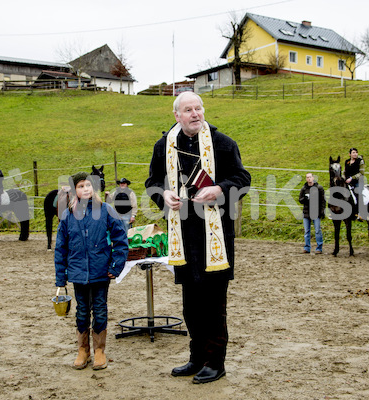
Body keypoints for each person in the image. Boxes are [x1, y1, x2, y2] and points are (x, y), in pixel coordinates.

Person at [145, 92, 251, 384]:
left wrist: (219, 189)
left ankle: (216, 362)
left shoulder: (223, 144)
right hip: (183, 235)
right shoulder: (163, 146)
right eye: (188, 109)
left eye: (198, 108)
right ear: (176, 115)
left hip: (215, 235)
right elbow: (152, 182)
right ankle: (196, 357)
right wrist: (163, 194)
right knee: (190, 303)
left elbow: (243, 179)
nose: (195, 113)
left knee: (213, 303)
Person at [54, 172, 128, 371]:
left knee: (100, 309)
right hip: (78, 272)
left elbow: (121, 239)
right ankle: (83, 350)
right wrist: (60, 278)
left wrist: (116, 265)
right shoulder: (68, 216)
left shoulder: (106, 210)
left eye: (88, 185)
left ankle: (99, 350)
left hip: (100, 272)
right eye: (80, 186)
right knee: (82, 311)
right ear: (74, 190)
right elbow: (60, 248)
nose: (85, 189)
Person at [298, 173, 326, 254]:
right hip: (306, 213)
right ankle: (307, 247)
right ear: (306, 179)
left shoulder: (319, 188)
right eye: (307, 177)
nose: (309, 179)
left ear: (313, 178)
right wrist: (305, 199)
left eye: (310, 177)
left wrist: (322, 211)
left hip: (316, 212)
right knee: (307, 231)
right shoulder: (304, 188)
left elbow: (323, 201)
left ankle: (319, 248)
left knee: (317, 230)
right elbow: (300, 200)